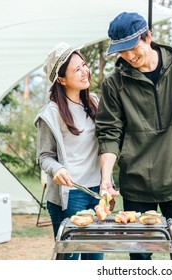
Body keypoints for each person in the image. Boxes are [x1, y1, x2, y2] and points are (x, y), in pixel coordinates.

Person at [95, 12, 172, 260]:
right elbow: (109, 134)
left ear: (148, 37)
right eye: (122, 52)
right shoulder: (113, 84)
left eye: (133, 48)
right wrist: (106, 178)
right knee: (139, 255)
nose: (129, 56)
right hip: (136, 183)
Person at [35, 42, 113, 260]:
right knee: (69, 261)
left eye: (84, 65)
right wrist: (57, 169)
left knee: (95, 259)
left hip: (97, 193)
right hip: (69, 196)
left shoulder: (95, 102)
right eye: (76, 69)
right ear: (61, 79)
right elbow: (44, 156)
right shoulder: (50, 114)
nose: (84, 71)